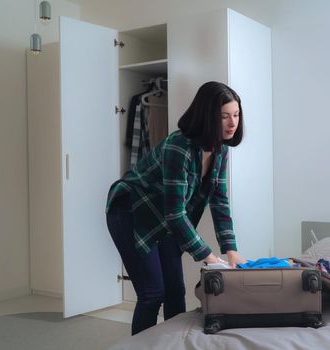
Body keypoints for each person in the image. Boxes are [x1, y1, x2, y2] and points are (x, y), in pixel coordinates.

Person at [105, 81, 247, 335]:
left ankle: (176, 344)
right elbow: (176, 214)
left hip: (166, 217)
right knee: (152, 292)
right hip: (131, 211)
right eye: (224, 116)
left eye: (236, 115)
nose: (232, 123)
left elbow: (219, 200)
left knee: (175, 290)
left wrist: (231, 249)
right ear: (207, 116)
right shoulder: (178, 147)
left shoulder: (220, 150)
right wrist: (209, 257)